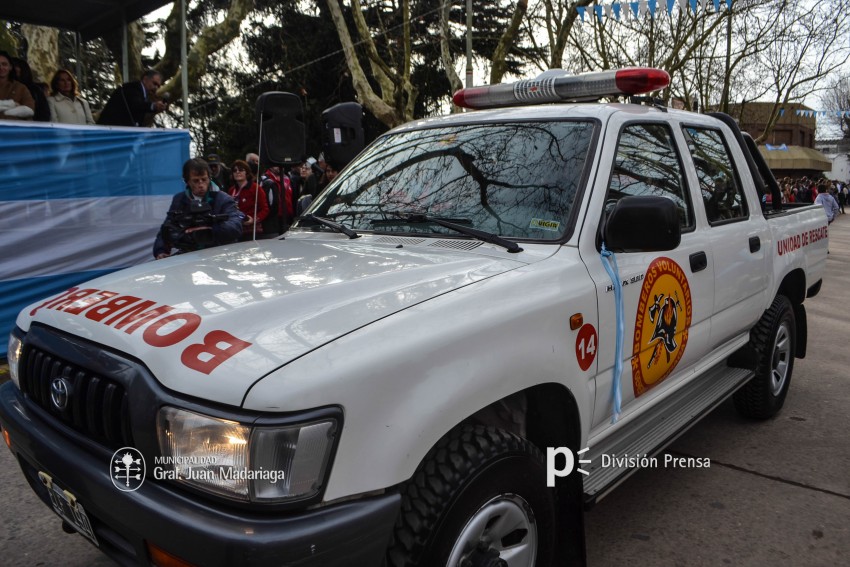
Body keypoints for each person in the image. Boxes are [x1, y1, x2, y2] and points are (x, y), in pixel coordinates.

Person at [153, 158, 243, 259]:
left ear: (210, 178)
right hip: (190, 255)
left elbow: (236, 226)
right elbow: (167, 227)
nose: (201, 185)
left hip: (220, 253)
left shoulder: (223, 199)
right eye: (196, 181)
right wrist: (161, 250)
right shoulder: (179, 199)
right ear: (186, 181)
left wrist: (211, 229)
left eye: (204, 179)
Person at [98, 69, 167, 127]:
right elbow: (136, 105)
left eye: (158, 86)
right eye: (154, 83)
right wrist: (153, 106)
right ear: (145, 79)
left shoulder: (144, 94)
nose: (156, 88)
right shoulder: (132, 88)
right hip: (109, 131)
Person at [227, 159, 269, 241]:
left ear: (246, 172)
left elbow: (265, 209)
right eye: (234, 170)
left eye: (241, 170)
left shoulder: (255, 188)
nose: (237, 172)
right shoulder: (231, 190)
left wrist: (254, 219)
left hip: (252, 231)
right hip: (236, 229)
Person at [0, 50, 35, 120]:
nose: (1, 68)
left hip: (14, 129)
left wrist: (5, 112)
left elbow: (30, 110)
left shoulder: (20, 88)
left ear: (10, 67)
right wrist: (12, 104)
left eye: (4, 64)